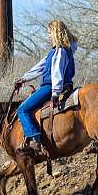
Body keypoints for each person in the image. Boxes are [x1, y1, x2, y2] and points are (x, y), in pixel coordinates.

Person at [14, 20, 77, 155]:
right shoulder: (56, 51)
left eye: (49, 33)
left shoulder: (60, 51)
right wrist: (24, 79)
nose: (49, 36)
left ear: (55, 33)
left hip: (50, 87)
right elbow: (40, 67)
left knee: (22, 109)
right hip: (52, 86)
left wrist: (55, 93)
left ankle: (35, 142)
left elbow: (57, 72)